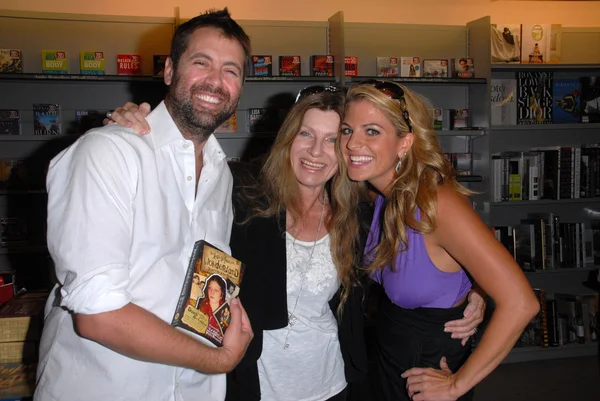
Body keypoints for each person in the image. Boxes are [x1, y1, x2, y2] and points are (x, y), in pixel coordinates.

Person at [107, 85, 486, 400]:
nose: (316, 152)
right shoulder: (241, 192)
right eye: (306, 134)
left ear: (346, 150)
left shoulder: (362, 213)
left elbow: (439, 254)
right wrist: (138, 127)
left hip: (334, 381)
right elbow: (174, 176)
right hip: (253, 381)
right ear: (289, 138)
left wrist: (474, 289)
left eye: (332, 139)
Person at [34, 9, 254, 401]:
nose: (216, 82)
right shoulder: (109, 152)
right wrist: (218, 360)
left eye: (231, 70)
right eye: (201, 62)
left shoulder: (221, 173)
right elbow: (99, 317)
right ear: (169, 70)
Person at [337, 80, 540, 401]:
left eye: (372, 131)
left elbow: (521, 303)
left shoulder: (436, 204)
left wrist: (456, 385)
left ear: (405, 142)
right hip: (391, 361)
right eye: (347, 130)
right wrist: (478, 287)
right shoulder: (381, 197)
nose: (351, 144)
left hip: (426, 374)